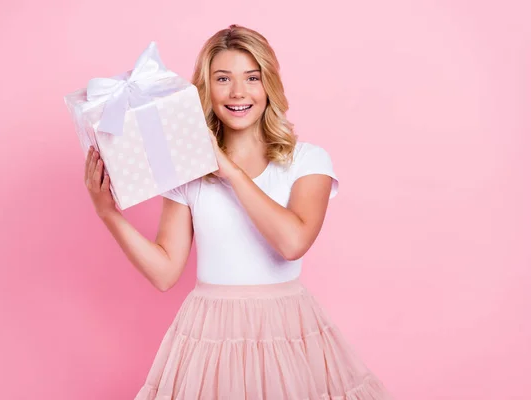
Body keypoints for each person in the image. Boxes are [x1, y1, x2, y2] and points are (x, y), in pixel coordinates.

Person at [83, 24, 393, 400]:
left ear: (269, 86)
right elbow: (165, 272)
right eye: (222, 78)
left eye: (252, 78)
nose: (237, 92)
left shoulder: (307, 160)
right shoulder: (187, 170)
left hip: (286, 331)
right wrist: (108, 213)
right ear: (206, 89)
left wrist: (229, 170)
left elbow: (292, 242)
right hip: (208, 334)